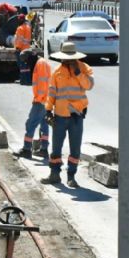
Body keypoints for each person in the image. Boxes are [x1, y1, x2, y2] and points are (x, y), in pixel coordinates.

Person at [42, 42, 94, 188]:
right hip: (60, 115)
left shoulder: (84, 68)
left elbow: (89, 86)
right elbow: (52, 92)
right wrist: (48, 110)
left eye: (70, 59)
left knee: (75, 149)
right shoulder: (57, 72)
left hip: (76, 116)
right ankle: (54, 175)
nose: (67, 61)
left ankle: (71, 176)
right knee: (56, 148)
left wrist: (78, 73)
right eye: (65, 59)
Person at [15, 48, 51, 160]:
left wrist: (39, 99)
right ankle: (44, 150)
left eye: (26, 61)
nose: (27, 64)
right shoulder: (40, 62)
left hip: (41, 101)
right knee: (44, 125)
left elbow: (43, 84)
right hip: (45, 100)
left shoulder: (40, 64)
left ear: (31, 57)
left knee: (30, 124)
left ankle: (26, 149)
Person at [13, 14, 32, 85]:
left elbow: (19, 40)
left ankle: (23, 80)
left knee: (22, 66)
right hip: (27, 49)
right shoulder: (28, 27)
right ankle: (27, 80)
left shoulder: (20, 28)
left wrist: (17, 48)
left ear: (20, 20)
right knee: (26, 66)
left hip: (21, 50)